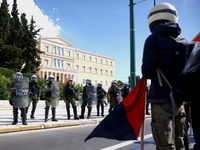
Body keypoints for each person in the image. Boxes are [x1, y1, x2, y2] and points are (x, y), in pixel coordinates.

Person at [141, 3, 186, 150]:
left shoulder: (152, 40)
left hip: (161, 97)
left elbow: (148, 71)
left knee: (164, 141)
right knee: (180, 138)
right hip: (180, 98)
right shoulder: (182, 41)